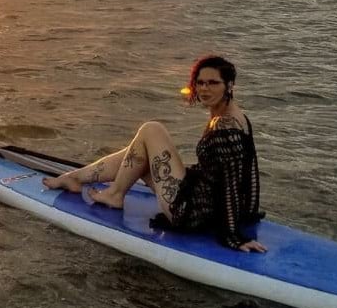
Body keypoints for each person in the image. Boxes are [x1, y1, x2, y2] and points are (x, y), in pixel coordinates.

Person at [43, 55, 266, 253]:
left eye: (213, 83)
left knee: (151, 129)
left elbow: (232, 181)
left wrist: (233, 237)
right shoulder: (233, 116)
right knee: (142, 151)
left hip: (192, 213)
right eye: (200, 83)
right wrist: (247, 211)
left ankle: (112, 194)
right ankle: (75, 179)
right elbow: (246, 173)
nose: (205, 89)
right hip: (206, 201)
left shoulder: (226, 127)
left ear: (229, 85)